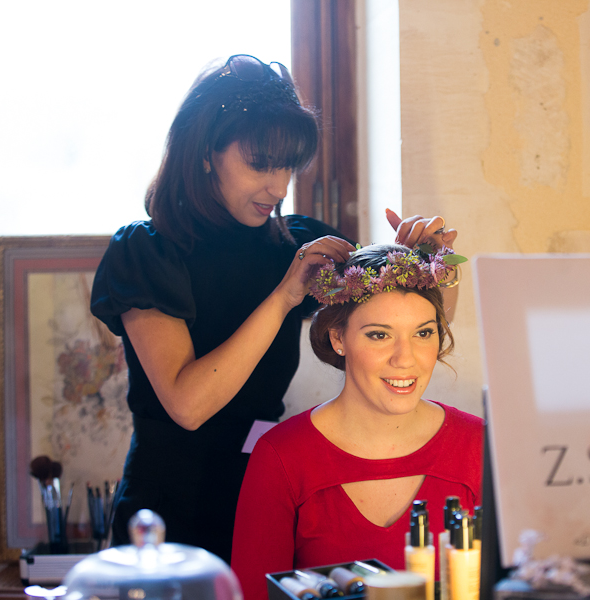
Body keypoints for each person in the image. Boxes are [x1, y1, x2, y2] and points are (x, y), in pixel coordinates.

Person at [89, 54, 457, 563]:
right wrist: (284, 296)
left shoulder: (297, 242)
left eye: (288, 166)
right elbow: (189, 406)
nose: (279, 186)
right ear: (205, 153)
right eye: (260, 164)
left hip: (270, 490)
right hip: (169, 509)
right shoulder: (150, 250)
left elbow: (415, 331)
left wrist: (429, 264)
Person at [231, 244, 483, 600]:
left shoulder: (479, 443)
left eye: (423, 333)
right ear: (338, 338)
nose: (405, 359)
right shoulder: (281, 456)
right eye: (379, 335)